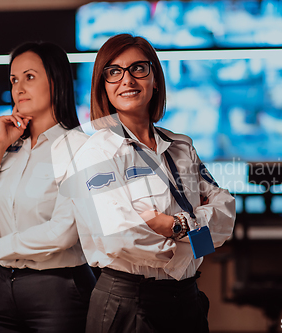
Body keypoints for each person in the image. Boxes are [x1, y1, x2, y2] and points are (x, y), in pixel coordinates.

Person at [61, 34, 235, 333]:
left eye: (138, 69)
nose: (127, 80)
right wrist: (196, 233)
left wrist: (172, 226)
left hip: (187, 301)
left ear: (155, 79)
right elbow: (121, 238)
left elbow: (226, 216)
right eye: (114, 72)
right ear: (103, 86)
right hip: (129, 302)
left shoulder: (181, 147)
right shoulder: (95, 153)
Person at [0, 41, 96, 332]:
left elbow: (63, 232)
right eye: (14, 79)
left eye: (29, 77)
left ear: (56, 81)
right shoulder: (8, 148)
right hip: (0, 288)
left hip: (58, 292)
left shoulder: (80, 148)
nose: (18, 88)